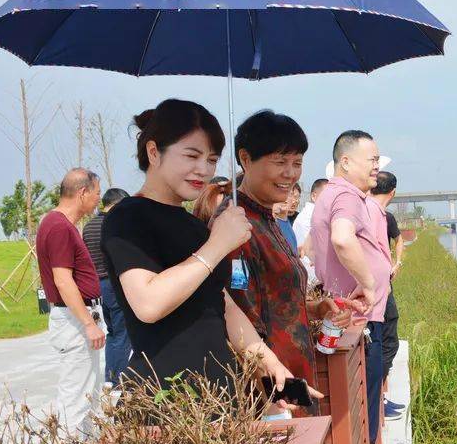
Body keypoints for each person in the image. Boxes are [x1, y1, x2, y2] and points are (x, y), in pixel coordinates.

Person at [100, 98, 305, 400]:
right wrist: (217, 245)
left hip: (218, 394)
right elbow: (148, 304)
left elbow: (223, 305)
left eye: (211, 160)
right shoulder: (128, 217)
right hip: (169, 399)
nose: (203, 170)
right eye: (192, 156)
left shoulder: (193, 226)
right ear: (154, 152)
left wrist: (269, 364)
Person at [219, 110, 354, 417]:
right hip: (272, 394)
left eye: (297, 163)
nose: (290, 174)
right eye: (280, 162)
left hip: (295, 376)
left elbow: (273, 302)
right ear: (245, 158)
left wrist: (315, 308)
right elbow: (240, 319)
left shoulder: (268, 219)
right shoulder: (235, 226)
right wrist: (273, 395)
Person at [311, 130, 412, 444]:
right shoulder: (346, 196)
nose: (376, 165)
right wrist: (370, 283)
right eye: (371, 158)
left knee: (362, 412)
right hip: (358, 323)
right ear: (345, 162)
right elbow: (341, 239)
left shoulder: (338, 196)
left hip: (352, 323)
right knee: (361, 415)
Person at [35, 168, 104, 437]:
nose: (98, 198)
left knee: (88, 395)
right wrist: (88, 323)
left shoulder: (60, 224)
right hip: (75, 321)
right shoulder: (59, 226)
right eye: (97, 192)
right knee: (76, 399)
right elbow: (63, 281)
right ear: (82, 192)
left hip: (79, 316)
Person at [82, 187, 131, 385]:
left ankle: (111, 375)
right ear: (117, 204)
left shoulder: (89, 226)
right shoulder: (114, 225)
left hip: (97, 286)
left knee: (113, 332)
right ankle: (118, 377)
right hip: (114, 284)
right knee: (122, 333)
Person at [368, 171, 405, 420]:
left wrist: (396, 262)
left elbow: (393, 243)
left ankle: (379, 398)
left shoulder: (380, 214)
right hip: (373, 292)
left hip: (379, 288)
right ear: (392, 193)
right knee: (383, 343)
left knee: (383, 341)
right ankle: (377, 401)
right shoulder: (371, 212)